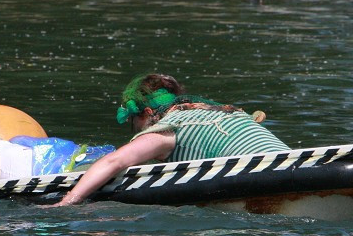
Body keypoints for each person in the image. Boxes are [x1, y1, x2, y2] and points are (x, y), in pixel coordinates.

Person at [54, 73, 289, 207]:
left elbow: (113, 162)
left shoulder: (164, 132)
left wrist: (68, 201)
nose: (133, 131)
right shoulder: (221, 111)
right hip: (295, 164)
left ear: (146, 115)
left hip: (263, 175)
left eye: (132, 122)